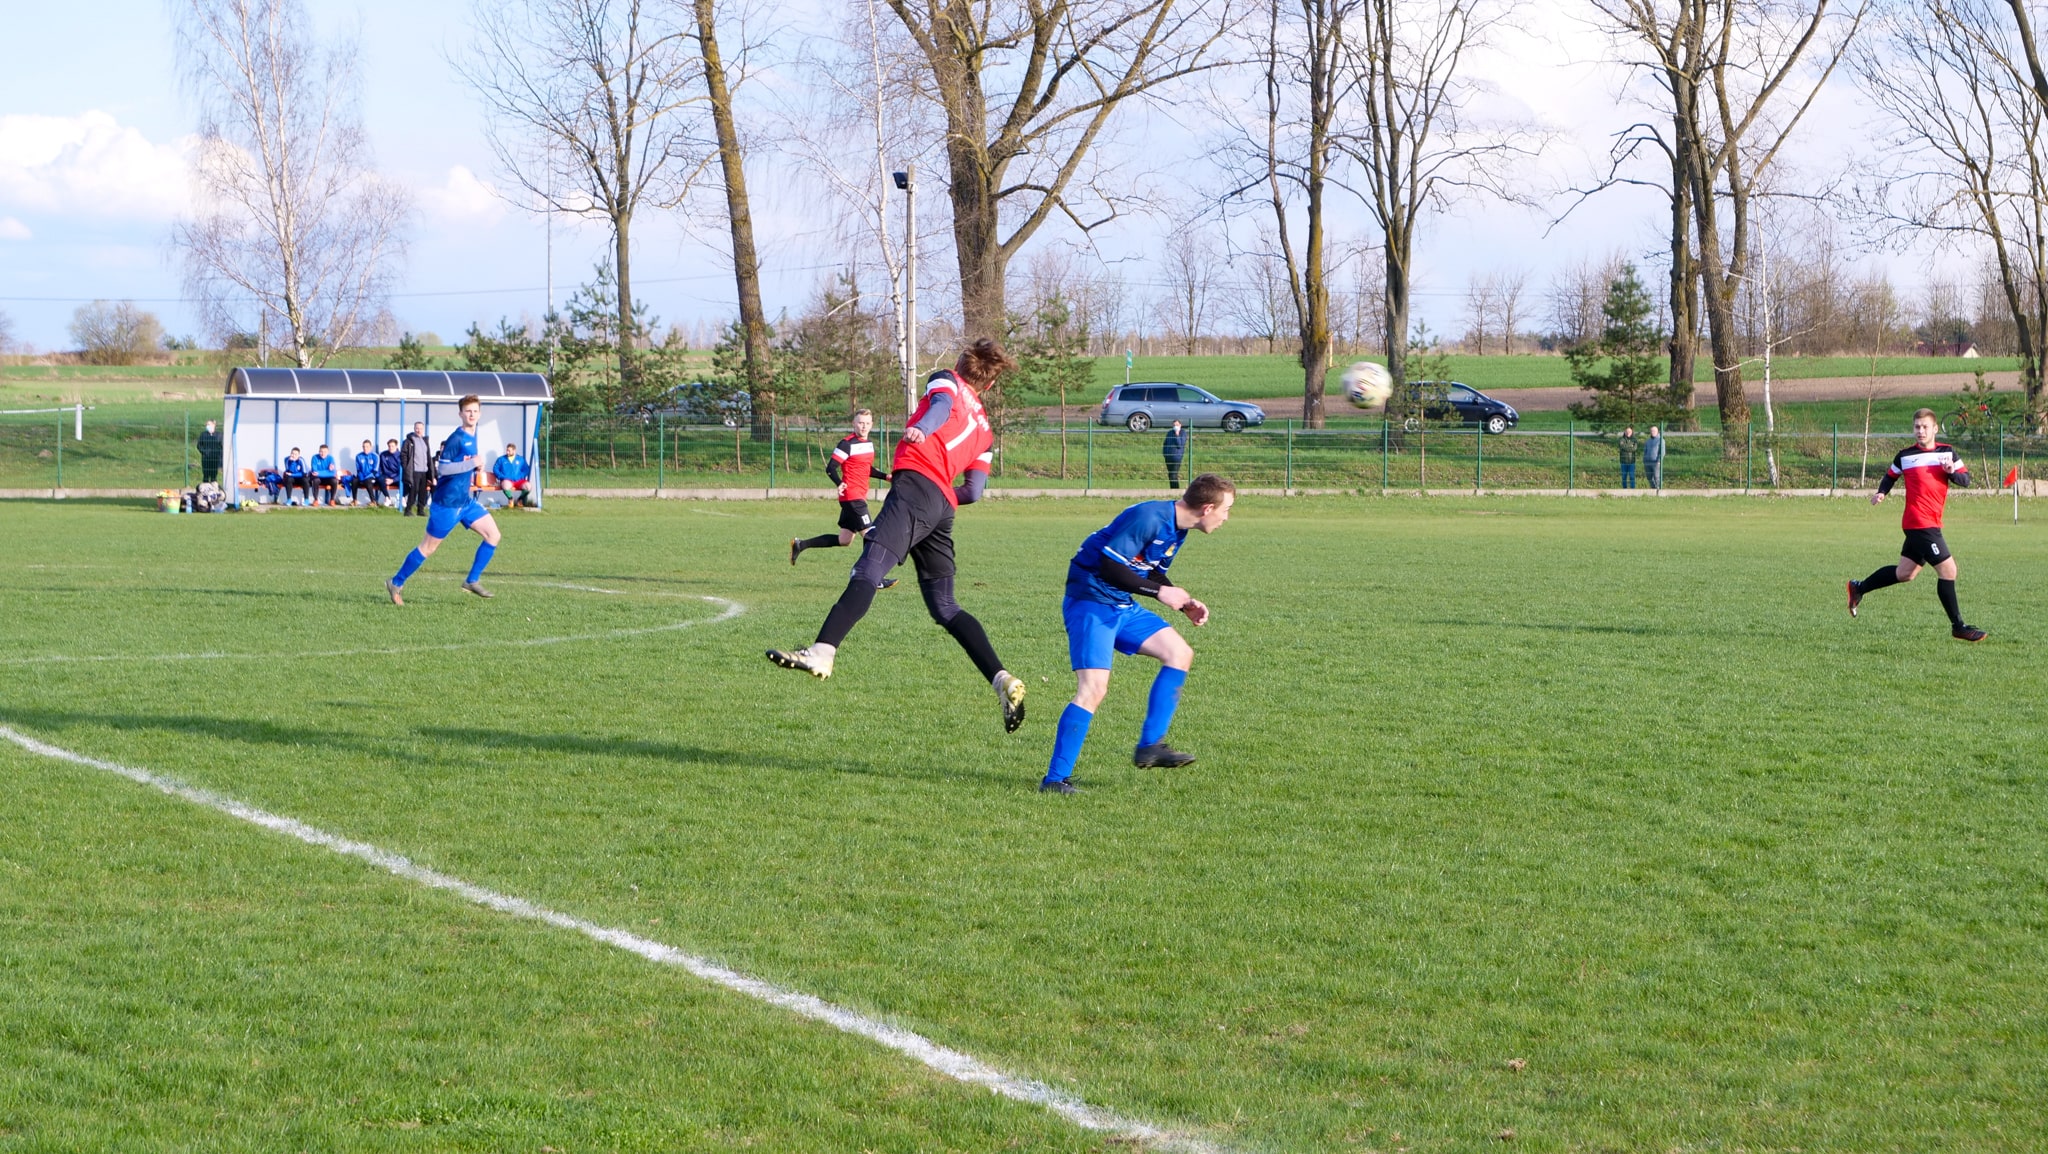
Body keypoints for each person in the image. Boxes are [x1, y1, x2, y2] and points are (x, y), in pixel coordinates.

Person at [765, 339, 1029, 733]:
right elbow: (973, 491)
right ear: (988, 385)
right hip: (942, 506)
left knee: (868, 570)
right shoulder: (986, 432)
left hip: (916, 487)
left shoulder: (948, 380)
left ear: (959, 364)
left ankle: (822, 651)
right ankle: (1001, 679)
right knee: (945, 607)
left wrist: (922, 429)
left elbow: (941, 406)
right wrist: (939, 495)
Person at [1039, 473, 1236, 794]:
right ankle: (1055, 780)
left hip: (1121, 605)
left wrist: (1184, 602)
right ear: (1208, 508)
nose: (1226, 518)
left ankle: (1150, 747)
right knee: (1093, 689)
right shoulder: (1149, 517)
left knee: (1179, 654)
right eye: (1226, 510)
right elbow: (1109, 567)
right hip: (1091, 603)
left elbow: (1150, 571)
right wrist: (1160, 593)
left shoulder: (1178, 529)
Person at [1846, 408, 1986, 642]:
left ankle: (1859, 587)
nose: (1920, 431)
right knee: (1949, 570)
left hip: (1931, 522)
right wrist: (1882, 492)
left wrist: (1951, 472)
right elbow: (1890, 476)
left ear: (1935, 429)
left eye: (1924, 427)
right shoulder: (1905, 456)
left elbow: (1966, 480)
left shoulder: (1947, 452)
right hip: (1919, 523)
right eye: (1916, 427)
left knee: (1905, 573)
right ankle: (1958, 626)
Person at [387, 395, 503, 605]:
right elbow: (443, 468)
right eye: (468, 411)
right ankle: (396, 582)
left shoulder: (473, 435)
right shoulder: (456, 438)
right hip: (447, 504)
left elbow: (464, 464)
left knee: (493, 535)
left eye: (475, 411)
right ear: (460, 414)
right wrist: (472, 463)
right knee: (427, 548)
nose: (472, 414)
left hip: (464, 502)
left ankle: (472, 580)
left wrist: (475, 465)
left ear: (480, 413)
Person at [790, 408, 899, 572]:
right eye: (860, 423)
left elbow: (866, 468)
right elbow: (830, 468)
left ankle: (801, 544)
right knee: (871, 536)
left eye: (867, 423)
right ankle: (872, 576)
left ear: (871, 425)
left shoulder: (869, 444)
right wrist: (839, 483)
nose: (864, 426)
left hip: (859, 495)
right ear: (854, 423)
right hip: (852, 496)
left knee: (845, 539)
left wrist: (885, 477)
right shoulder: (847, 444)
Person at [401, 420, 434, 517]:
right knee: (413, 491)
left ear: (423, 429)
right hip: (414, 470)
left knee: (423, 492)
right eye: (417, 428)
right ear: (414, 429)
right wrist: (406, 467)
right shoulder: (409, 441)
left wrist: (430, 472)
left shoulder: (425, 441)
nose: (418, 430)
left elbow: (428, 456)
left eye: (420, 429)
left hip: (424, 471)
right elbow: (403, 455)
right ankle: (408, 510)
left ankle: (421, 510)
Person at [493, 443, 533, 507]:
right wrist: (502, 476)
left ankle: (520, 500)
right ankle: (511, 499)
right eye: (507, 450)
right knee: (505, 486)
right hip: (507, 480)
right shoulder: (501, 459)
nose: (507, 452)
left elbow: (526, 469)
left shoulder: (520, 459)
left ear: (514, 451)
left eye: (509, 451)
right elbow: (495, 469)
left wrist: (520, 476)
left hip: (519, 480)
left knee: (528, 486)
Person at [350, 440, 382, 506]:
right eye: (364, 447)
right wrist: (361, 476)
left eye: (367, 447)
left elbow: (375, 471)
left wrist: (366, 477)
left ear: (371, 447)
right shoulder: (358, 456)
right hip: (362, 476)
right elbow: (358, 469)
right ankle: (354, 500)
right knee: (354, 481)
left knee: (368, 481)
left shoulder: (375, 456)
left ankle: (373, 501)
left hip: (372, 477)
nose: (365, 448)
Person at [1162, 419, 1188, 489]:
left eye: (1177, 425)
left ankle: (1176, 490)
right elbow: (1165, 443)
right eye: (1174, 425)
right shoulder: (1169, 433)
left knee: (1173, 474)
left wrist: (1177, 435)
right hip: (1168, 457)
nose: (1175, 426)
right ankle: (1172, 489)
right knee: (1170, 475)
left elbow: (1180, 445)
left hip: (1177, 457)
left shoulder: (1183, 433)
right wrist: (1165, 453)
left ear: (1180, 425)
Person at [196, 419, 223, 485]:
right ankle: (205, 488)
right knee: (206, 475)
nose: (207, 426)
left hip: (215, 458)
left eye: (208, 424)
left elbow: (222, 446)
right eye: (206, 425)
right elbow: (199, 445)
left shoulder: (219, 435)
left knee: (214, 476)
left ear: (214, 425)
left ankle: (214, 488)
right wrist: (204, 452)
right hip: (206, 458)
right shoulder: (203, 435)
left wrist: (219, 455)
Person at [379, 438, 403, 507]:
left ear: (396, 446)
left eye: (392, 446)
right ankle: (387, 498)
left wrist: (393, 480)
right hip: (386, 476)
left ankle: (401, 499)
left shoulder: (401, 456)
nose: (391, 448)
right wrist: (381, 475)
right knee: (380, 479)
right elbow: (380, 468)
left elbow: (403, 472)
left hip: (397, 477)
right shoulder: (383, 455)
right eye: (389, 446)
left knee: (405, 482)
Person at [1643, 425, 1665, 491]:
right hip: (1647, 462)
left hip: (1656, 462)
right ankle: (1653, 489)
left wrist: (1659, 460)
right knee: (1649, 477)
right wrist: (1644, 459)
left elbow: (1662, 452)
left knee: (1656, 477)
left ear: (1657, 431)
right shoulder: (1648, 441)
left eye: (1654, 431)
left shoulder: (1661, 440)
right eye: (1651, 431)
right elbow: (1645, 451)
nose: (1652, 432)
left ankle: (1659, 489)